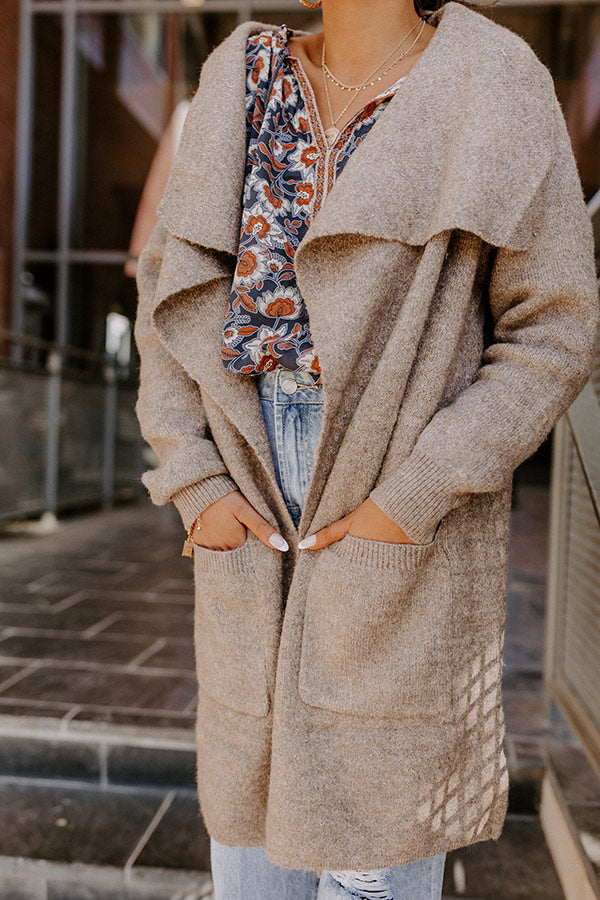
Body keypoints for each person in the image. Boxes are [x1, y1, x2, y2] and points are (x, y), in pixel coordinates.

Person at [132, 0, 600, 897]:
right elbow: (167, 297)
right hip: (249, 472)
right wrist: (193, 480)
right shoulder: (241, 72)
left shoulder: (494, 78)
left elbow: (556, 330)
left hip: (397, 474)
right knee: (251, 865)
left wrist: (412, 498)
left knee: (374, 862)